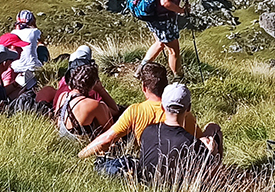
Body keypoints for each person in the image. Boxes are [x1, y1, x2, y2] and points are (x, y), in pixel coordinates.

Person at [79, 62, 221, 160]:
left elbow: (107, 138)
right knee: (213, 128)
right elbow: (201, 142)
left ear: (144, 87)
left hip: (148, 160)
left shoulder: (135, 111)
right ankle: (217, 169)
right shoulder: (184, 115)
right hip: (179, 161)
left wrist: (81, 155)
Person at [138, 83, 216, 186]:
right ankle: (215, 188)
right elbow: (206, 168)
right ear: (188, 108)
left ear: (162, 107)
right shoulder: (190, 143)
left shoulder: (148, 131)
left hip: (143, 186)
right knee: (214, 129)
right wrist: (211, 151)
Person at [140, 0, 188, 78]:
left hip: (153, 17)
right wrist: (181, 10)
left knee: (160, 43)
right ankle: (178, 78)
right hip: (164, 20)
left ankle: (140, 70)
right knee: (174, 51)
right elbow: (165, 2)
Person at [55, 62, 114, 141]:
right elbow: (111, 132)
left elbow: (56, 122)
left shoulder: (63, 97)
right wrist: (101, 90)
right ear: (94, 84)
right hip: (85, 148)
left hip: (62, 144)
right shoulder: (95, 105)